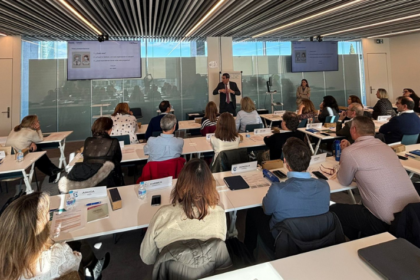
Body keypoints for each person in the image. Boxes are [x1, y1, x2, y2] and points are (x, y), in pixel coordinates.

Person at [331, 116, 420, 240]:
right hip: (414, 215)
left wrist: (346, 154)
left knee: (334, 210)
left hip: (389, 224)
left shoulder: (350, 152)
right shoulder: (386, 147)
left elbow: (344, 181)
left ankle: (364, 240)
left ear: (354, 129)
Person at [244, 137, 330, 254]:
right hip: (317, 238)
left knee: (253, 212)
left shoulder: (278, 190)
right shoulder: (324, 186)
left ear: (285, 162)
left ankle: (248, 252)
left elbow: (267, 211)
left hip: (285, 242)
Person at [0, 192, 109, 280]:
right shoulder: (60, 255)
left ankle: (94, 264)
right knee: (75, 242)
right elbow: (74, 262)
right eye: (48, 213)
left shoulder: (5, 258)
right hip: (71, 270)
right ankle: (93, 270)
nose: (50, 216)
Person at [140, 159, 227, 265]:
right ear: (211, 186)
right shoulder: (219, 214)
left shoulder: (163, 215)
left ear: (180, 184)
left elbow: (147, 258)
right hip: (208, 273)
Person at [67, 117, 124, 187]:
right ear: (108, 129)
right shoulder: (113, 141)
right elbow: (119, 158)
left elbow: (86, 159)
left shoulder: (88, 140)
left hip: (88, 176)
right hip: (107, 177)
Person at [5, 115, 62, 183]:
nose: (39, 122)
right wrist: (38, 129)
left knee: (37, 151)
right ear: (32, 124)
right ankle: (52, 170)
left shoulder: (15, 128)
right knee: (38, 153)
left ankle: (52, 170)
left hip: (8, 154)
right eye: (37, 121)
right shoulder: (31, 132)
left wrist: (31, 142)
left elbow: (25, 139)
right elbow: (40, 139)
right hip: (20, 155)